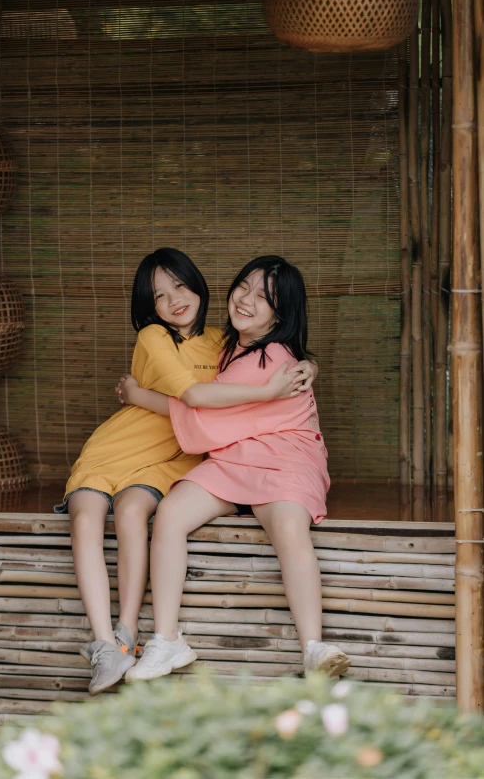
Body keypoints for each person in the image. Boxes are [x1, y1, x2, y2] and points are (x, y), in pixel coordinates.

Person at [55, 248, 317, 694]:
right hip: (119, 447)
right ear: (148, 306)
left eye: (179, 284)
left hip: (171, 454)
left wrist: (308, 365)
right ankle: (103, 644)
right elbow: (195, 396)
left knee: (135, 514)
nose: (173, 299)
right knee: (87, 515)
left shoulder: (222, 340)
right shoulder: (154, 338)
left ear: (197, 282)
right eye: (159, 295)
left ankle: (127, 632)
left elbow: (267, 351)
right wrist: (273, 387)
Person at [117, 255, 350, 682]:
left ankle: (313, 646)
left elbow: (200, 411)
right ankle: (166, 640)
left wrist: (137, 396)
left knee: (288, 526)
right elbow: (205, 408)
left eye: (264, 298)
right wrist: (311, 361)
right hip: (233, 458)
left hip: (284, 458)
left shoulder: (275, 358)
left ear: (281, 313)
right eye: (244, 286)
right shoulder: (227, 345)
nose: (246, 300)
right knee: (170, 513)